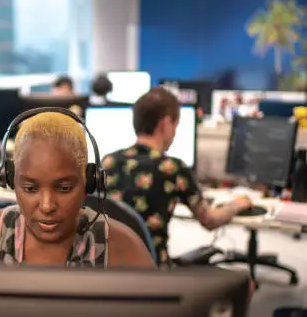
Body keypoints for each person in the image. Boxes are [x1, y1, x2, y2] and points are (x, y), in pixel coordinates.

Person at [0, 111, 155, 267]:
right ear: (10, 180)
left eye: (64, 188)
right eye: (30, 188)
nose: (47, 206)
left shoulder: (123, 248)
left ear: (89, 180)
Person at [102, 87, 253, 266]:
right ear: (165, 124)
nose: (174, 133)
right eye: (176, 125)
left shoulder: (108, 162)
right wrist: (237, 204)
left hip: (110, 269)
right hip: (154, 271)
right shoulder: (172, 168)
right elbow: (210, 220)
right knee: (244, 283)